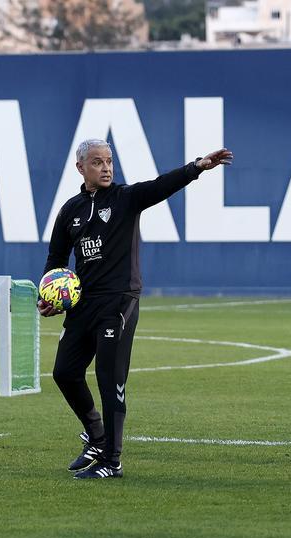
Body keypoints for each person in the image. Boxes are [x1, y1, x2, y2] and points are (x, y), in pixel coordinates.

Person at [41, 140, 233, 479]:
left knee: (108, 377)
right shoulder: (69, 211)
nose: (106, 168)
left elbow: (160, 186)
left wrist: (196, 168)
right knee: (64, 372)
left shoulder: (125, 199)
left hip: (119, 301)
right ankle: (97, 435)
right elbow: (56, 260)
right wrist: (51, 296)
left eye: (109, 161)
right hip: (84, 304)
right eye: (98, 162)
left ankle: (111, 461)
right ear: (80, 168)